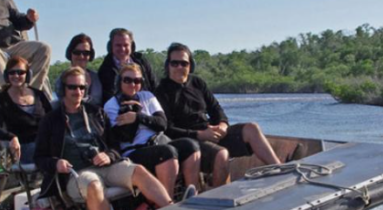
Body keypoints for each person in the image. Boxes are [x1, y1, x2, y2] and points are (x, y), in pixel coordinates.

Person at [34, 67, 173, 210]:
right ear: (63, 89)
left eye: (82, 87)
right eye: (72, 87)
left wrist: (108, 155)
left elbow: (115, 146)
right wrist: (55, 163)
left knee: (138, 170)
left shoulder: (97, 113)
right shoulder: (50, 120)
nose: (78, 91)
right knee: (93, 185)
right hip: (77, 174)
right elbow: (39, 158)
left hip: (106, 167)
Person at [155, 43, 281, 187]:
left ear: (190, 66)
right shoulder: (161, 91)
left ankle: (281, 171)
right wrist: (200, 134)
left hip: (211, 133)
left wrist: (222, 125)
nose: (179, 67)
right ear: (168, 66)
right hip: (189, 144)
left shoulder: (197, 83)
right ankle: (216, 198)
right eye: (174, 63)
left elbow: (216, 109)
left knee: (252, 128)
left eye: (184, 63)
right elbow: (168, 129)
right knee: (222, 155)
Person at [104, 64, 200, 199]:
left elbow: (162, 124)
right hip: (133, 151)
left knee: (191, 146)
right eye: (127, 80)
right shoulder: (111, 105)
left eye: (137, 81)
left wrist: (138, 117)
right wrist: (133, 117)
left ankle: (193, 196)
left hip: (156, 143)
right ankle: (168, 203)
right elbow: (124, 138)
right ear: (119, 81)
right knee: (167, 152)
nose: (133, 84)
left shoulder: (147, 96)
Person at [0, 57, 52, 164]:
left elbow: (52, 118)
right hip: (23, 146)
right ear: (7, 75)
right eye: (12, 72)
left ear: (27, 75)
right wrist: (12, 137)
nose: (16, 76)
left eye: (20, 72)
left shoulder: (39, 95)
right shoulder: (2, 99)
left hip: (45, 143)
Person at [97, 27, 157, 100]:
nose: (122, 49)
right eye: (118, 45)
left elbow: (154, 86)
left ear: (132, 46)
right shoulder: (104, 70)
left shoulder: (142, 61)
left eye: (126, 45)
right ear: (110, 46)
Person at [54, 33, 103, 106]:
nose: (81, 56)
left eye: (86, 53)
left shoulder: (96, 77)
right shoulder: (62, 79)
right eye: (77, 52)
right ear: (70, 53)